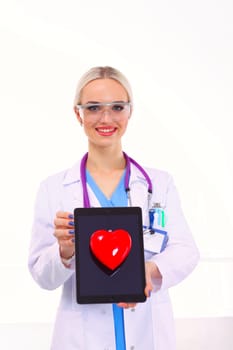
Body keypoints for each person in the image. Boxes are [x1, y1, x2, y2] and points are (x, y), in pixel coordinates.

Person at [28, 66, 200, 350]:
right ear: (78, 113)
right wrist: (64, 252)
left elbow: (186, 250)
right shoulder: (54, 189)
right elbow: (41, 276)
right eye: (94, 107)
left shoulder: (159, 184)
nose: (106, 118)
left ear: (129, 111)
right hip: (83, 338)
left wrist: (148, 271)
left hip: (148, 332)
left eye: (117, 107)